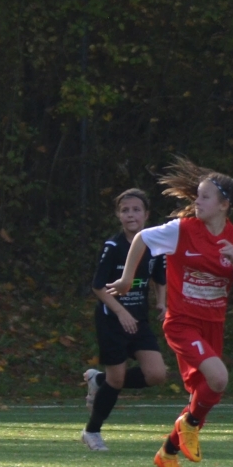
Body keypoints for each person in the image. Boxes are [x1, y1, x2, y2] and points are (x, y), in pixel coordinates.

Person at [100, 158, 233, 467]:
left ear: (224, 205)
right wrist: (127, 279)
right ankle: (190, 426)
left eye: (205, 196)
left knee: (207, 392)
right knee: (219, 378)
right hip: (183, 322)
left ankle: (168, 453)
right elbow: (142, 238)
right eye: (197, 195)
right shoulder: (181, 230)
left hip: (213, 324)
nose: (197, 201)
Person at [78, 188, 169, 451]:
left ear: (146, 214)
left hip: (139, 320)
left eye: (136, 210)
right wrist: (121, 312)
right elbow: (98, 287)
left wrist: (162, 302)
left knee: (157, 374)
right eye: (125, 210)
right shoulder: (113, 247)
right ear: (118, 215)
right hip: (112, 321)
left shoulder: (155, 246)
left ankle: (99, 382)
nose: (131, 215)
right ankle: (92, 432)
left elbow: (159, 279)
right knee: (116, 380)